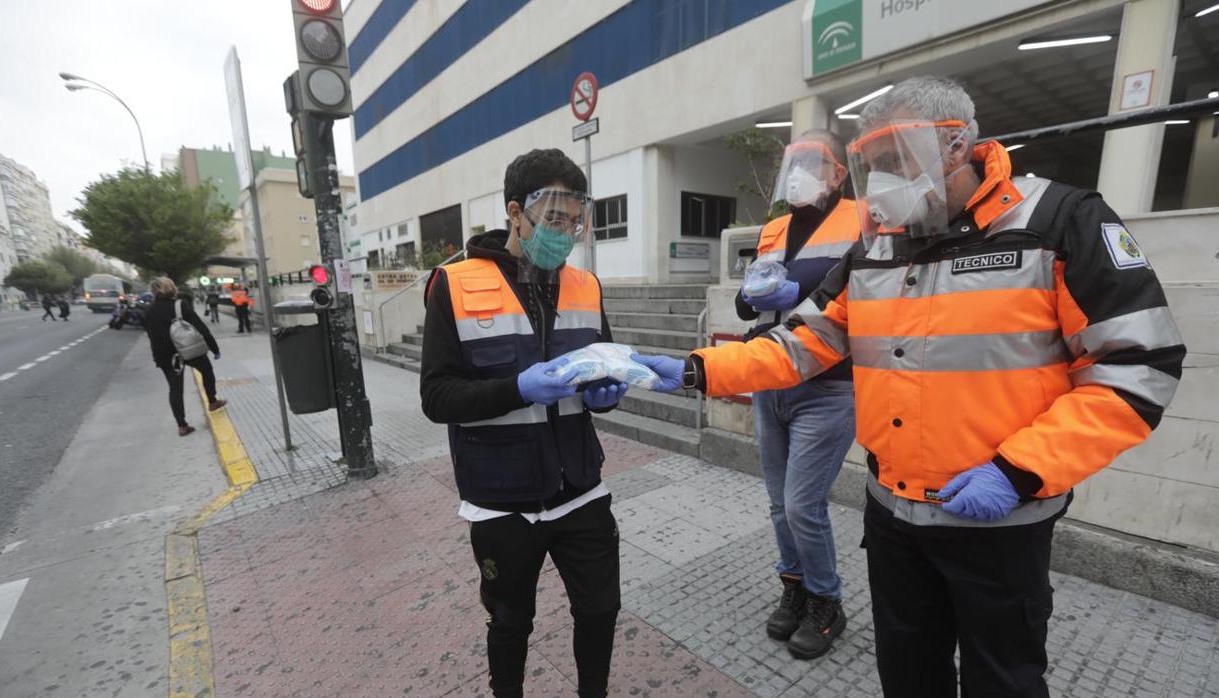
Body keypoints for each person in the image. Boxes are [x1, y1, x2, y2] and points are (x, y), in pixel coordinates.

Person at [635, 76, 1186, 697]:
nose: (882, 184)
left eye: (896, 161)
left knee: (1002, 679)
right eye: (873, 165)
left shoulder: (1058, 222)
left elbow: (1139, 367)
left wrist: (1020, 470)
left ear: (956, 145)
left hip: (998, 524)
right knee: (907, 674)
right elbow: (802, 344)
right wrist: (696, 369)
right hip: (893, 519)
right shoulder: (877, 247)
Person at [420, 148, 624, 698]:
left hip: (581, 487)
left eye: (575, 221)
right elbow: (437, 397)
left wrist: (606, 394)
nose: (566, 232)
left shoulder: (586, 285)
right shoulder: (454, 284)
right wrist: (517, 389)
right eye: (554, 219)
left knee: (601, 609)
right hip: (500, 498)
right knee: (510, 620)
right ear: (516, 212)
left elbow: (600, 365)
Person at [732, 130, 860, 659]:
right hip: (771, 381)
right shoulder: (774, 228)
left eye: (814, 161)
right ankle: (796, 585)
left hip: (827, 387)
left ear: (838, 172)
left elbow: (868, 299)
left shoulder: (863, 220)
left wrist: (799, 296)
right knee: (779, 506)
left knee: (802, 504)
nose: (802, 171)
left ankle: (827, 601)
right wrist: (751, 294)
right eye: (795, 161)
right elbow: (749, 306)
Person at [144, 277, 227, 436]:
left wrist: (158, 356)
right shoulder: (180, 306)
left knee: (175, 388)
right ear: (171, 288)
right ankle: (212, 401)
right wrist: (214, 348)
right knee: (207, 370)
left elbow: (151, 335)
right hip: (188, 350)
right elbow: (201, 328)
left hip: (165, 355)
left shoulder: (149, 310)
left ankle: (182, 425)